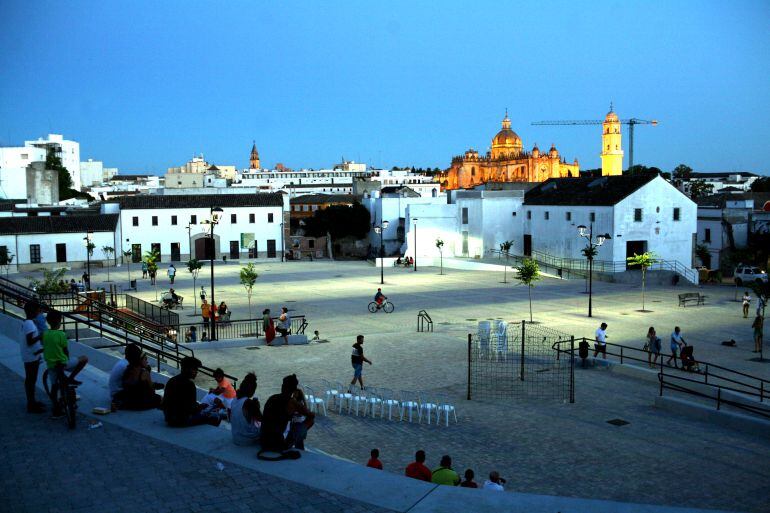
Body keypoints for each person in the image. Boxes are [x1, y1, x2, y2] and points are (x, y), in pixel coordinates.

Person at [42, 310, 89, 417]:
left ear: (48, 321)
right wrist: (66, 359)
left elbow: (46, 346)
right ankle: (71, 377)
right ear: (59, 321)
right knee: (84, 358)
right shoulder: (61, 334)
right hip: (63, 363)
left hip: (51, 365)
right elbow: (65, 350)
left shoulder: (45, 334)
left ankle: (56, 408)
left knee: (54, 386)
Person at [260, 374, 315, 452]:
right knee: (310, 421)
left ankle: (297, 441)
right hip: (277, 445)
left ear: (283, 386)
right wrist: (298, 402)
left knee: (291, 425)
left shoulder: (272, 398)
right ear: (294, 389)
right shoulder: (292, 402)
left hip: (264, 441)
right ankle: (298, 442)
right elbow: (311, 415)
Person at [162, 356, 221, 427]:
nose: (197, 372)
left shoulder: (172, 380)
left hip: (169, 418)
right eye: (195, 369)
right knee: (215, 417)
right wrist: (201, 408)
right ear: (188, 369)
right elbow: (191, 410)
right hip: (181, 420)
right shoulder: (189, 385)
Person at [21, 301, 45, 413]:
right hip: (31, 357)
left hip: (31, 355)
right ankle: (31, 404)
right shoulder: (29, 324)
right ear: (33, 311)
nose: (40, 312)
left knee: (31, 379)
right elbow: (30, 341)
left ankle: (32, 401)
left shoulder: (28, 322)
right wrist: (40, 336)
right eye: (38, 310)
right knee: (31, 380)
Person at [230, 373, 262, 446]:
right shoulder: (248, 403)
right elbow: (261, 419)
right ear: (252, 390)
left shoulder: (234, 399)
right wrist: (257, 407)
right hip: (246, 440)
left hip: (236, 438)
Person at [109, 343, 141, 409]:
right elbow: (131, 384)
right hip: (118, 394)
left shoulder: (123, 362)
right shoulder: (127, 366)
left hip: (114, 392)